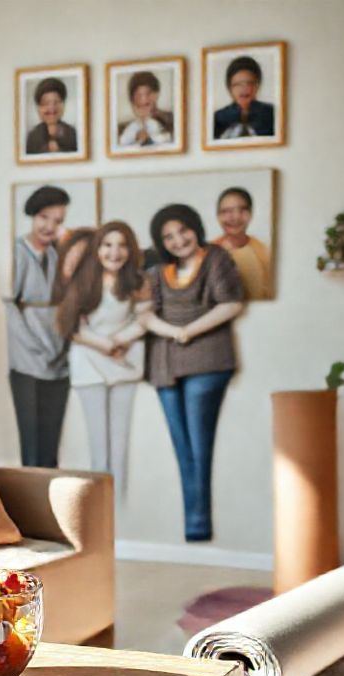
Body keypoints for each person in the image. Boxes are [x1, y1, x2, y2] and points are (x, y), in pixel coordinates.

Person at [146, 204, 246, 541]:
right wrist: (174, 333)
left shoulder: (216, 258)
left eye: (182, 230)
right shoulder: (159, 271)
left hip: (208, 362)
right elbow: (146, 314)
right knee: (182, 447)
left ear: (195, 227)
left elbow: (231, 303)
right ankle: (195, 525)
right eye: (168, 236)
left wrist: (188, 331)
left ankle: (199, 525)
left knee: (200, 447)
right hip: (165, 364)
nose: (178, 240)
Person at [55, 221, 151, 493]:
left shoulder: (138, 282)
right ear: (97, 249)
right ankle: (100, 511)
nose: (114, 252)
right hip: (88, 363)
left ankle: (120, 512)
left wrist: (119, 341)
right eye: (108, 245)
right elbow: (70, 326)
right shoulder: (85, 279)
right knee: (98, 445)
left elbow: (143, 320)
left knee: (120, 442)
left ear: (131, 249)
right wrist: (104, 344)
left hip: (124, 363)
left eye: (122, 245)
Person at [6, 185, 72, 467]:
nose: (50, 226)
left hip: (58, 356)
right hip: (27, 359)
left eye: (57, 221)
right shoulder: (17, 252)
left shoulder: (57, 254)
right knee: (31, 443)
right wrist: (35, 348)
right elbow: (11, 308)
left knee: (52, 443)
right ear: (33, 215)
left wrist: (60, 346)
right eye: (44, 217)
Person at [211, 187, 272, 299]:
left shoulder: (264, 252)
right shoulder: (206, 252)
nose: (235, 217)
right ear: (218, 215)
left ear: (251, 213)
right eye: (226, 211)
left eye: (242, 210)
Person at [212, 55, 275, 140]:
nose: (243, 89)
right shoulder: (217, 118)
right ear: (229, 88)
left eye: (249, 83)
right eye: (237, 84)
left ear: (258, 85)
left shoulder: (272, 114)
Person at [117, 71, 174, 148]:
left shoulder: (172, 120)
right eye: (139, 95)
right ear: (132, 100)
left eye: (148, 93)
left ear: (156, 94)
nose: (144, 99)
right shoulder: (124, 129)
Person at [26, 77, 78, 154]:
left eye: (56, 102)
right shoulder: (32, 137)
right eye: (46, 103)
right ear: (38, 108)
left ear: (63, 105)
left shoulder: (73, 135)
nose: (51, 108)